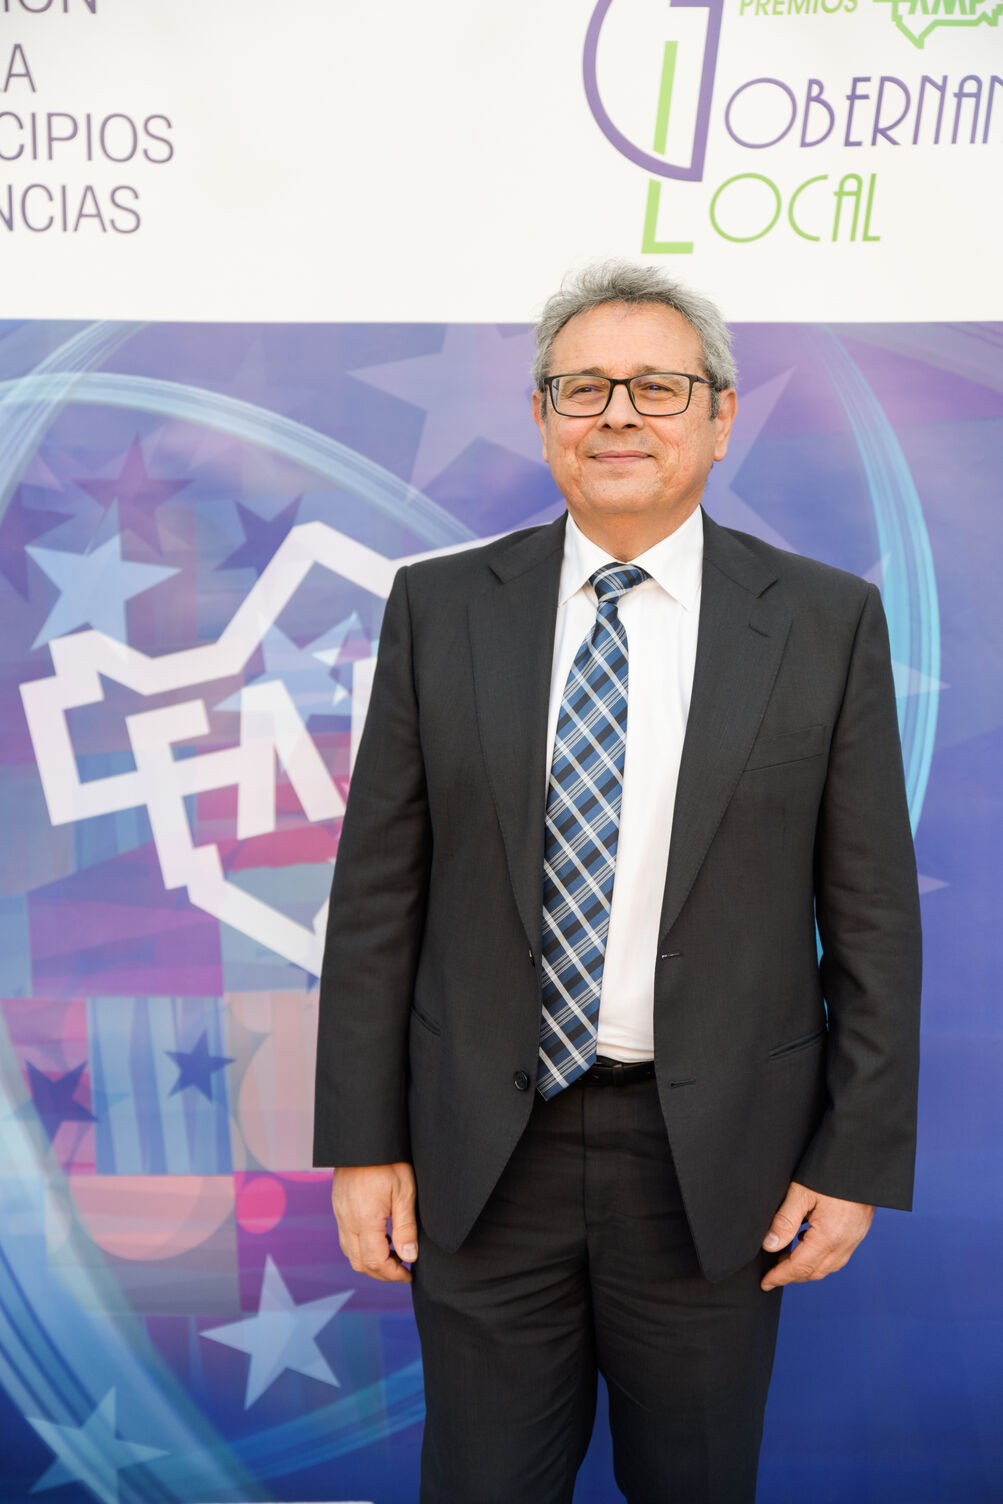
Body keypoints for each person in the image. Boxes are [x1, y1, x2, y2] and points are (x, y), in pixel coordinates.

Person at [313, 262, 921, 1503]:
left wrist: (854, 1156)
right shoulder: (439, 608)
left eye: (656, 386)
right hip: (484, 1157)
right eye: (582, 388)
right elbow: (378, 896)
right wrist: (362, 1145)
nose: (618, 415)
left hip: (717, 1166)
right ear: (544, 417)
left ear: (719, 414)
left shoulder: (822, 621)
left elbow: (869, 917)